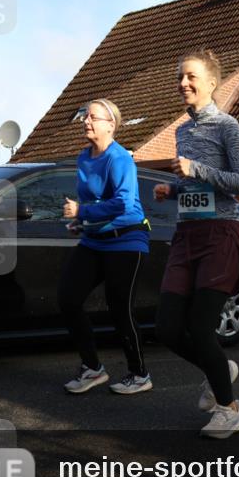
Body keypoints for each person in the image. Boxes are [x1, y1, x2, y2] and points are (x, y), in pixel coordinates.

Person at [153, 49, 239, 439]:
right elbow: (196, 184)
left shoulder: (227, 126)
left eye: (191, 77)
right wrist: (175, 188)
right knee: (166, 328)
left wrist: (195, 169)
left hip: (220, 232)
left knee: (200, 329)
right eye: (180, 77)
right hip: (187, 234)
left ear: (212, 83)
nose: (183, 83)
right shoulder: (182, 131)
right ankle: (217, 368)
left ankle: (229, 408)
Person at [59, 98, 152, 395]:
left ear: (110, 124)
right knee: (68, 298)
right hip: (94, 240)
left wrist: (82, 213)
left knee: (119, 308)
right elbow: (91, 201)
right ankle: (93, 368)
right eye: (85, 116)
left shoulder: (120, 158)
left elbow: (122, 203)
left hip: (127, 240)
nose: (86, 121)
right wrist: (81, 222)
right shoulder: (84, 158)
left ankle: (139, 374)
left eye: (93, 117)